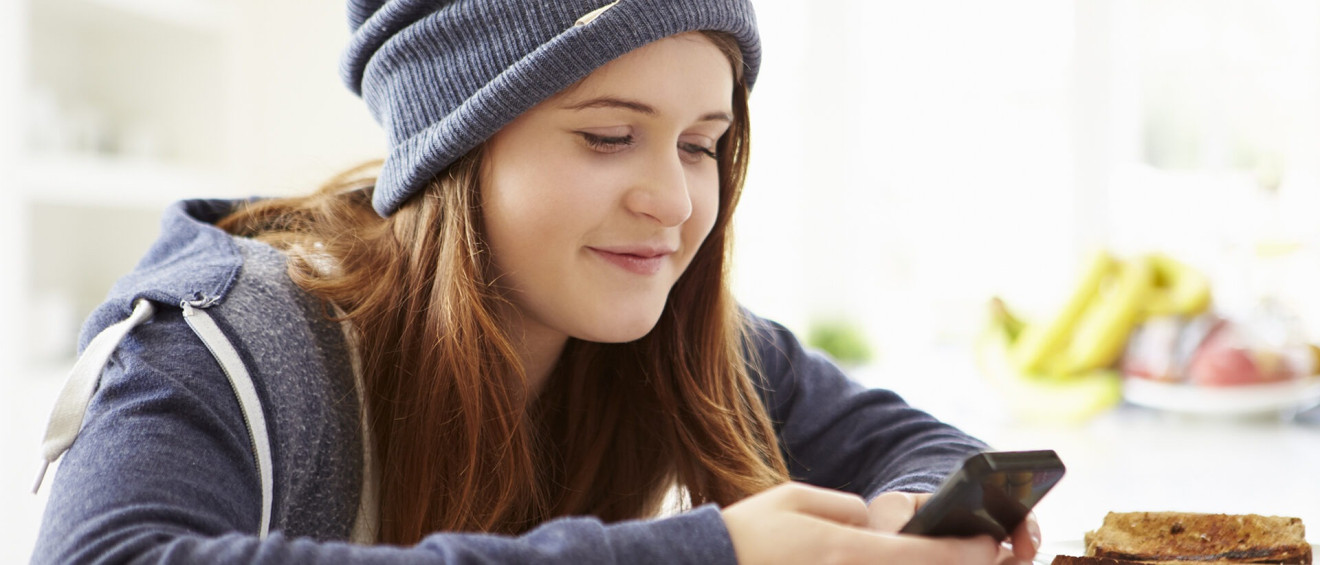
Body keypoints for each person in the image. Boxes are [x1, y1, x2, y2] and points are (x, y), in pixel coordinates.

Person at [31, 1, 1041, 563]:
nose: (676, 201)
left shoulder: (670, 335)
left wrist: (922, 515)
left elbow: (928, 450)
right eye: (609, 137)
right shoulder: (215, 340)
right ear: (452, 152)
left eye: (701, 144)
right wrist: (702, 558)